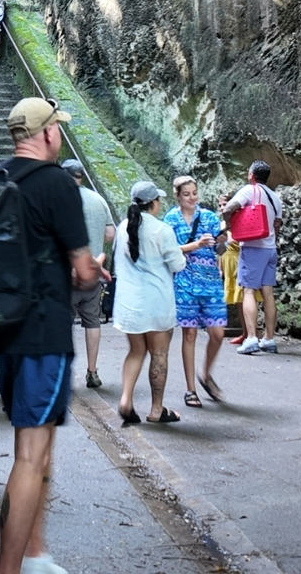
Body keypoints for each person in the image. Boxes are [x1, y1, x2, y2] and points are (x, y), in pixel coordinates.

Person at [0, 98, 98, 574]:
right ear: (48, 134)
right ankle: (8, 570)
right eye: (59, 128)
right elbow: (83, 270)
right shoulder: (57, 184)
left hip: (0, 328)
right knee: (31, 455)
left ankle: (35, 552)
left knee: (34, 444)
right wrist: (91, 270)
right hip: (43, 332)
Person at [113, 181, 185, 425]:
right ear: (154, 203)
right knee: (159, 353)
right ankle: (156, 409)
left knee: (136, 351)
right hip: (156, 303)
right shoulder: (161, 230)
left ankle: (125, 400)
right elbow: (177, 265)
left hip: (129, 304)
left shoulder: (124, 227)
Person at [166, 176, 226, 405]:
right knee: (189, 334)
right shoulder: (171, 219)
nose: (192, 198)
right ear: (178, 196)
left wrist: (222, 241)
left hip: (210, 281)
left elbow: (220, 250)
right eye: (187, 194)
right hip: (184, 281)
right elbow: (169, 250)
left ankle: (206, 373)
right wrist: (196, 245)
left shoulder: (210, 217)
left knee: (217, 333)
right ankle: (190, 389)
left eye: (194, 193)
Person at [61, 159, 115, 389]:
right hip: (93, 273)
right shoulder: (98, 199)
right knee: (92, 322)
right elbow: (111, 234)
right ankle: (92, 371)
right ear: (81, 176)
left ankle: (63, 373)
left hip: (67, 273)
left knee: (64, 325)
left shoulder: (62, 199)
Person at [220, 161, 281, 354]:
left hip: (253, 248)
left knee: (248, 291)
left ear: (251, 175)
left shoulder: (249, 190)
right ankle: (269, 339)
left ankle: (252, 337)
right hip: (271, 248)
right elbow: (278, 225)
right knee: (268, 293)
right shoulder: (275, 197)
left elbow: (228, 208)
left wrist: (230, 225)